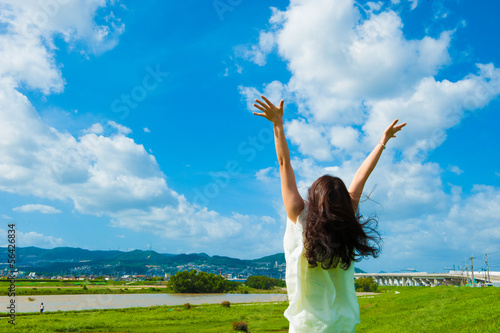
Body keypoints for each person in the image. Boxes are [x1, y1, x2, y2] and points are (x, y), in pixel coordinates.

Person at [253, 96, 406, 332]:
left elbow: (284, 164)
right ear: (344, 202)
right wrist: (382, 142)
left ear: (314, 197)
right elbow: (360, 178)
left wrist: (277, 124)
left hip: (307, 326)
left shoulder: (299, 217)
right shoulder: (345, 223)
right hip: (343, 324)